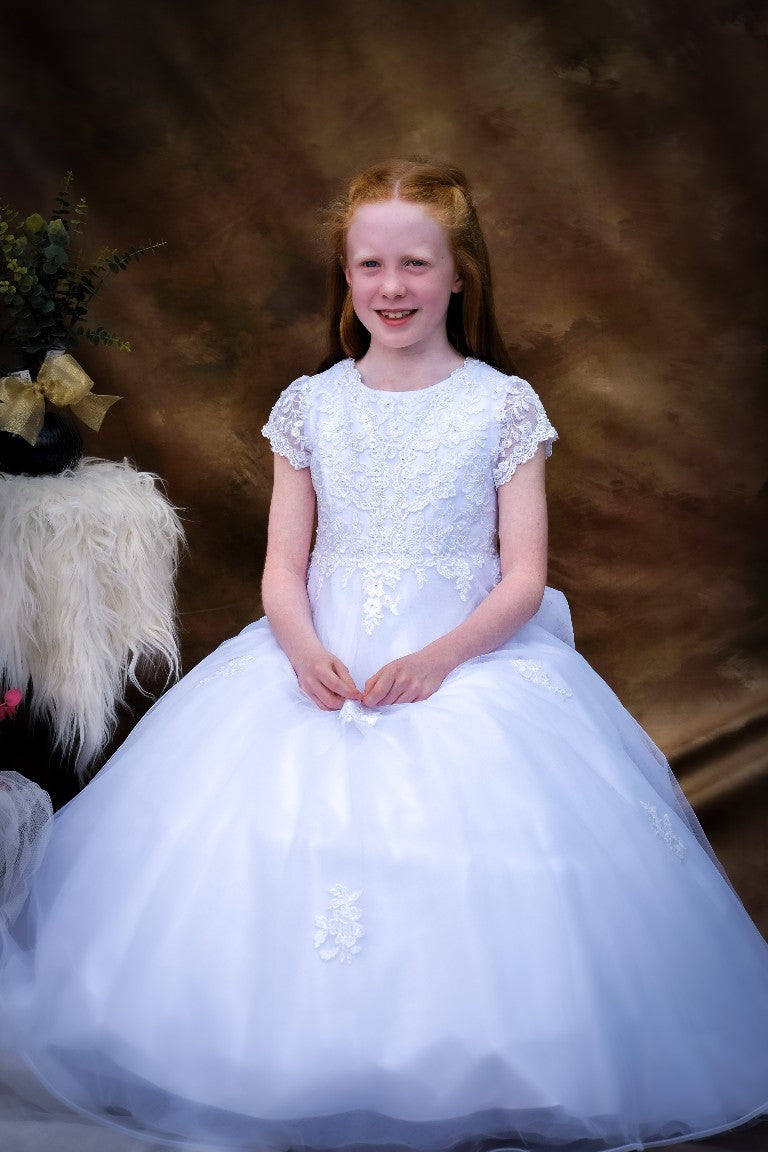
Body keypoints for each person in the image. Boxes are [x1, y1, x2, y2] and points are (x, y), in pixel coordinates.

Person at [0, 159, 767, 1152]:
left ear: (460, 275)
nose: (392, 287)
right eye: (371, 264)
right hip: (317, 662)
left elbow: (523, 579)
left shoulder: (502, 405)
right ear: (347, 275)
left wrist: (441, 659)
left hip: (467, 661)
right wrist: (303, 649)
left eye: (416, 263)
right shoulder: (311, 405)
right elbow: (283, 571)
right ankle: (270, 1059)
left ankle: (487, 1069)